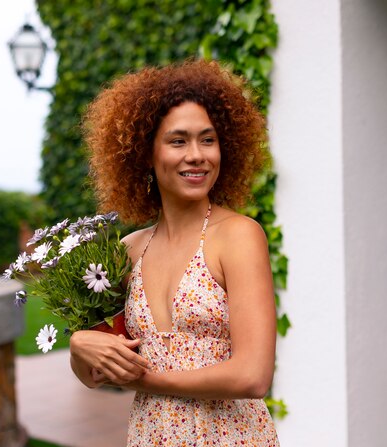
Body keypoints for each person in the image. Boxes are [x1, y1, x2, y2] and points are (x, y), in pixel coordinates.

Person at [69, 59, 280, 446]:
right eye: (178, 141)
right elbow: (95, 376)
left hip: (228, 436)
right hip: (153, 435)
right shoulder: (129, 251)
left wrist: (147, 380)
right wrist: (80, 346)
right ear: (146, 153)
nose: (197, 154)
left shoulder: (238, 236)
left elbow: (254, 375)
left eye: (208, 139)